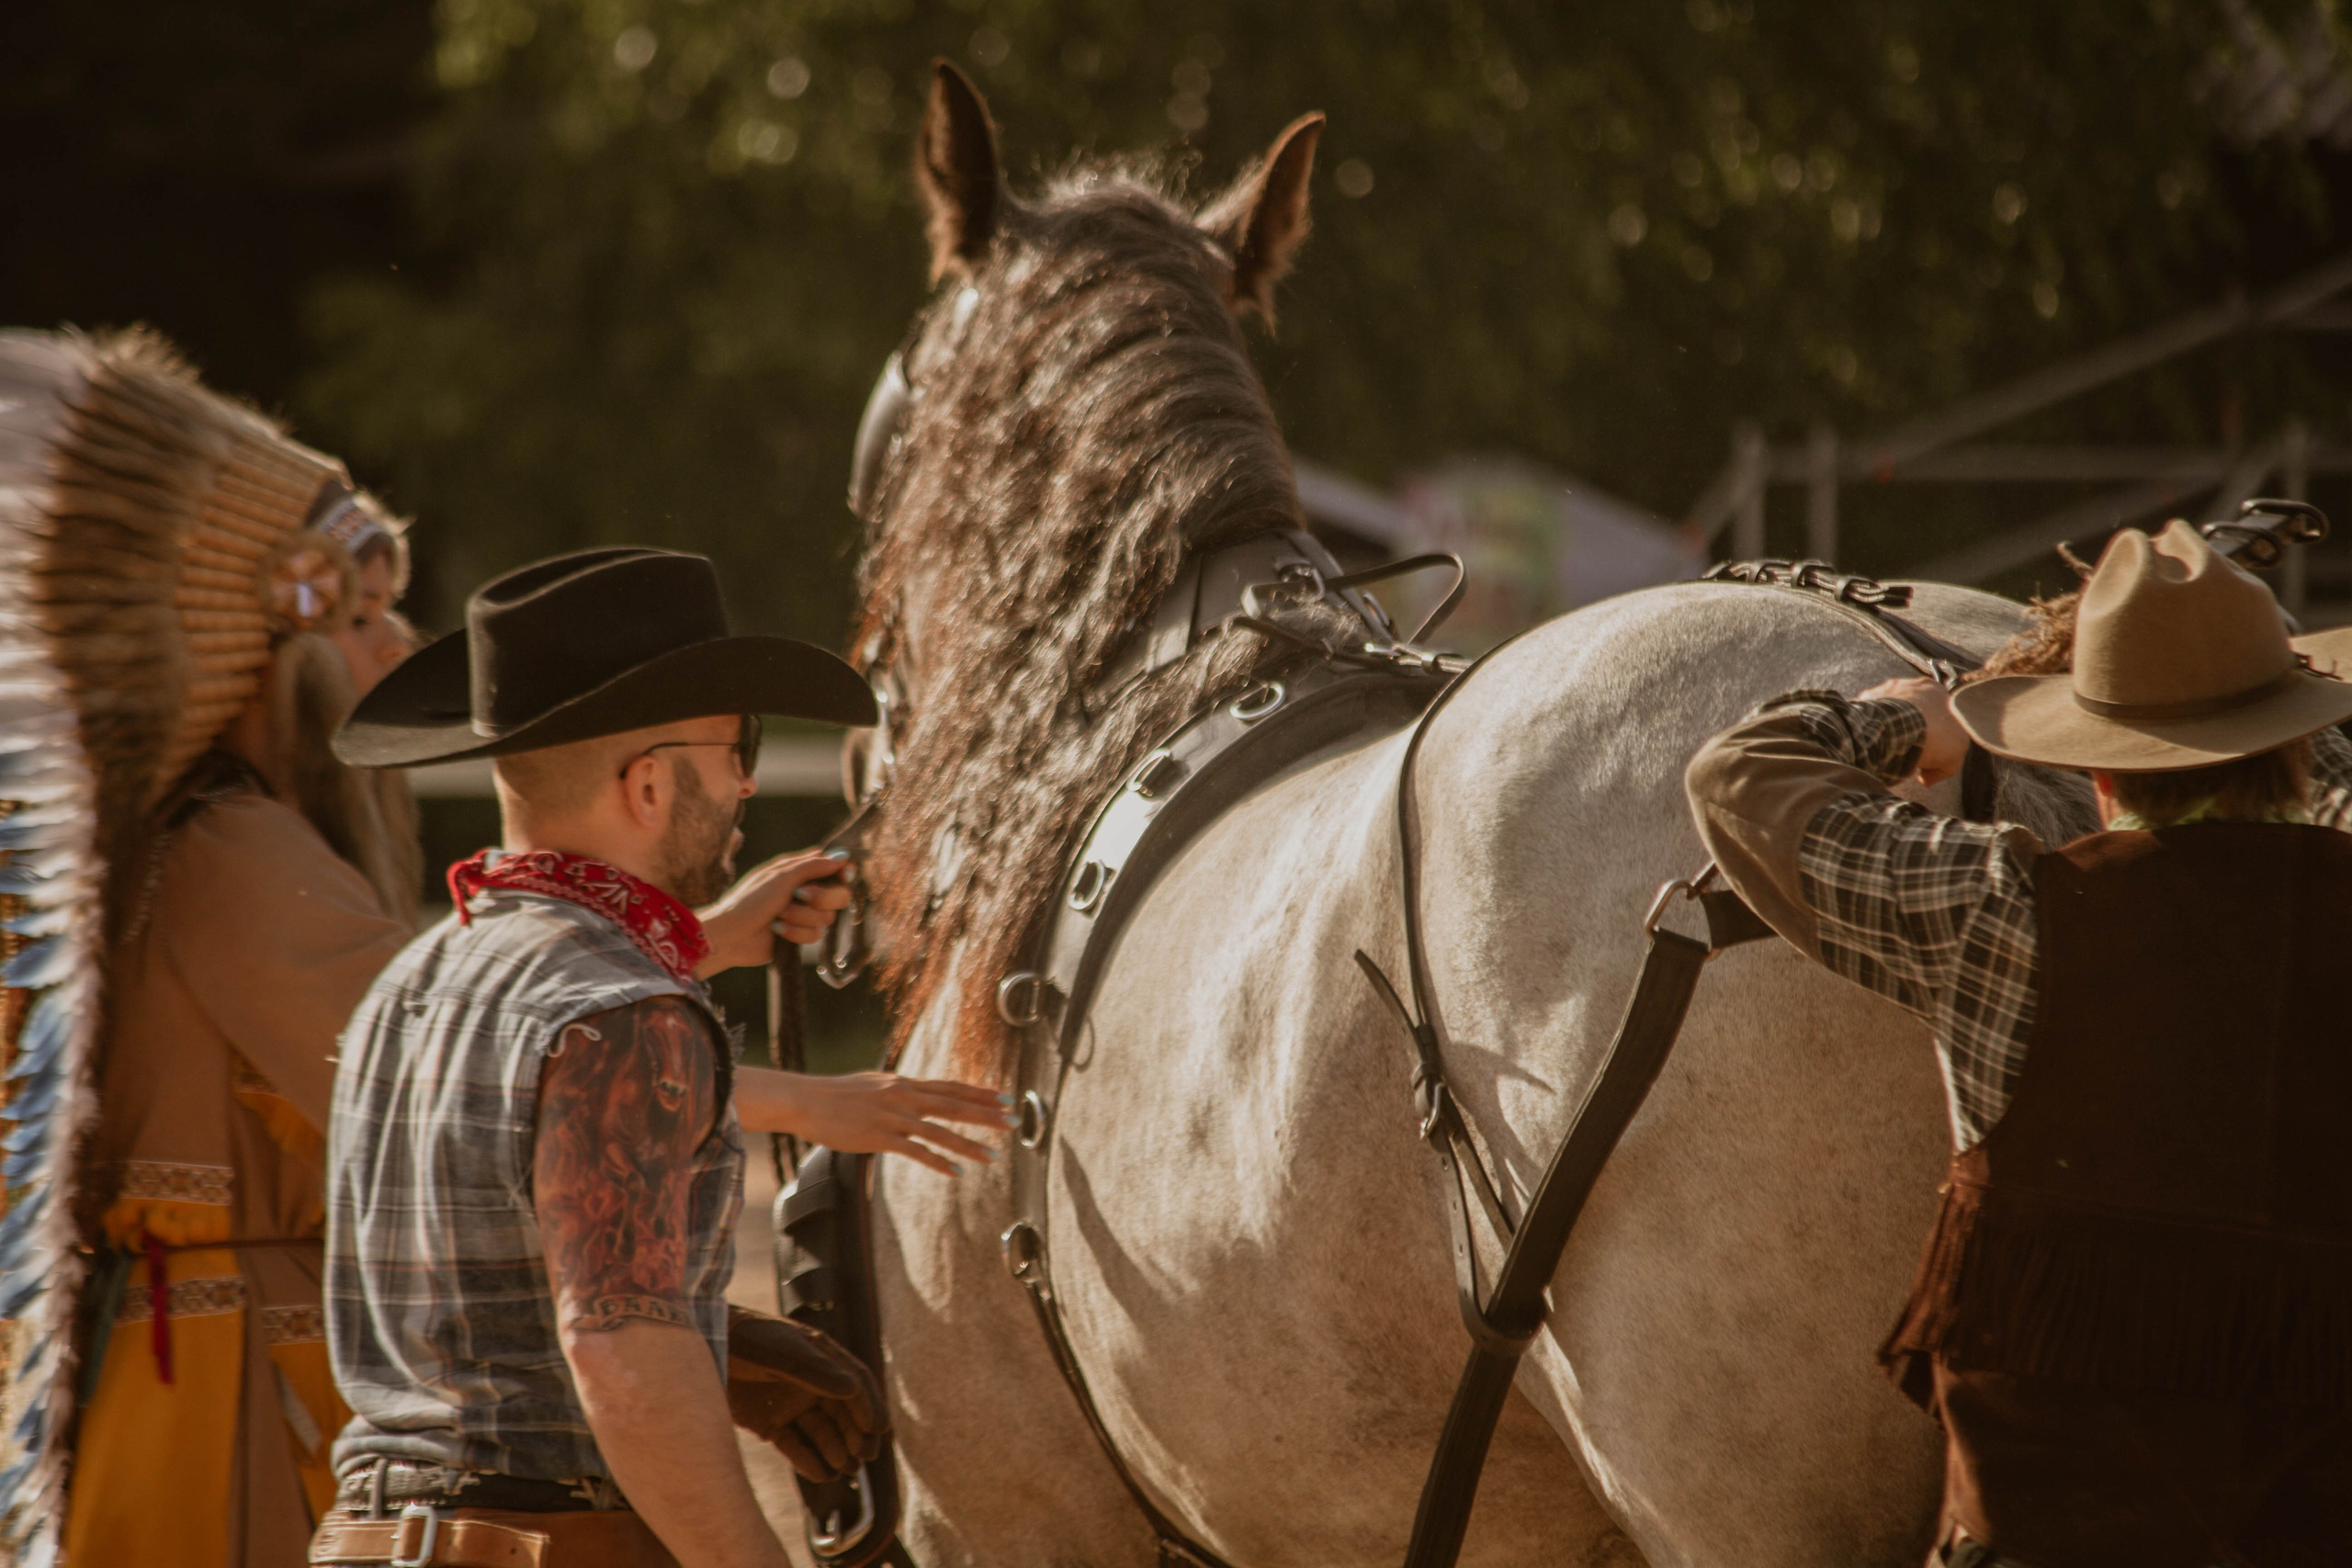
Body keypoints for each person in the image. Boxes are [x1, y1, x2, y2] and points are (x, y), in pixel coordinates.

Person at [312, 547, 1012, 1568]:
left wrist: (709, 1339)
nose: (746, 783)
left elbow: (481, 1291)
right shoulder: (627, 1015)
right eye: (736, 749)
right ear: (647, 783)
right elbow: (618, 1348)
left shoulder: (412, 982)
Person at [1684, 520, 2352, 1568]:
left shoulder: (2005, 917)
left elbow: (1742, 777)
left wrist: (1897, 725)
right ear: (2300, 745)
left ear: (2096, 776)